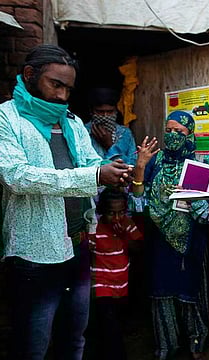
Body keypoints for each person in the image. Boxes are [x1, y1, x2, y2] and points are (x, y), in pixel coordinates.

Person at [0, 44, 132, 360]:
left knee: (74, 340)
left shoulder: (71, 121)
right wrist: (93, 176)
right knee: (33, 346)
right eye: (55, 84)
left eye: (68, 89)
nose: (61, 95)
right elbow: (18, 177)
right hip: (34, 251)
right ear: (30, 75)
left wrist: (112, 170)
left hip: (77, 243)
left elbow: (89, 162)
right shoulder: (8, 118)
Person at [131, 110, 209, 360]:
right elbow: (137, 200)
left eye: (179, 131)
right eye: (169, 130)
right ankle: (166, 347)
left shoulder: (200, 165)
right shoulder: (155, 161)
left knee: (191, 292)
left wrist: (191, 195)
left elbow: (207, 212)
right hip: (159, 240)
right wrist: (141, 166)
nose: (173, 135)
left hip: (191, 241)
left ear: (190, 134)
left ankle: (197, 344)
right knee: (162, 292)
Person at [88, 187, 142, 360]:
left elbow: (138, 247)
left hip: (122, 285)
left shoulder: (126, 224)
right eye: (112, 213)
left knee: (114, 325)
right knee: (110, 328)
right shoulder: (94, 229)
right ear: (103, 211)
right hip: (101, 286)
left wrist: (124, 234)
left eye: (120, 212)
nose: (117, 217)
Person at [85, 87, 137, 165]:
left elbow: (132, 165)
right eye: (100, 112)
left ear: (116, 111)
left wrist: (110, 146)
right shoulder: (83, 131)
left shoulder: (125, 133)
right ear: (91, 111)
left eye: (110, 112)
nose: (105, 116)